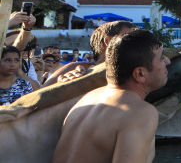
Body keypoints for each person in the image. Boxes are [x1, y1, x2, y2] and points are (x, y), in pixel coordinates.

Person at [52, 29, 170, 163]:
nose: (167, 61)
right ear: (140, 74)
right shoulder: (138, 112)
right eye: (161, 57)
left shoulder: (88, 99)